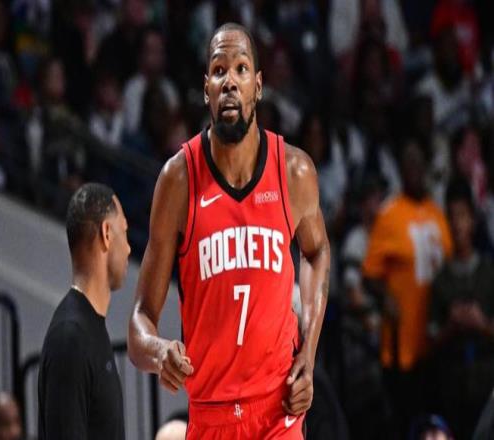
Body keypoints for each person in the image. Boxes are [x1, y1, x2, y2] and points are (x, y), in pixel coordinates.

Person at [128, 22, 330, 439]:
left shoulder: (293, 171)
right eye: (219, 70)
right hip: (211, 415)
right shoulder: (178, 180)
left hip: (277, 412)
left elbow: (316, 251)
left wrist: (307, 354)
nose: (230, 82)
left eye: (241, 69)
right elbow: (138, 324)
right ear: (207, 90)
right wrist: (159, 351)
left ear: (258, 86)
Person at [363, 139, 452, 437]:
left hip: (436, 338)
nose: (414, 168)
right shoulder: (389, 214)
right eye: (408, 163)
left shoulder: (436, 212)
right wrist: (385, 297)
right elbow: (369, 274)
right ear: (401, 170)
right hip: (402, 343)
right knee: (406, 425)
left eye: (418, 162)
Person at [38, 183, 130, 440]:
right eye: (124, 232)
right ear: (106, 234)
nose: (129, 249)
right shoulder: (70, 337)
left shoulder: (86, 328)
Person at [428, 178, 494, 439]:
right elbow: (430, 340)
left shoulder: (488, 272)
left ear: (473, 221)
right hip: (452, 387)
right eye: (452, 217)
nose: (457, 224)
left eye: (463, 216)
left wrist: (482, 324)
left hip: (487, 383)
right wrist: (451, 326)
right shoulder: (441, 279)